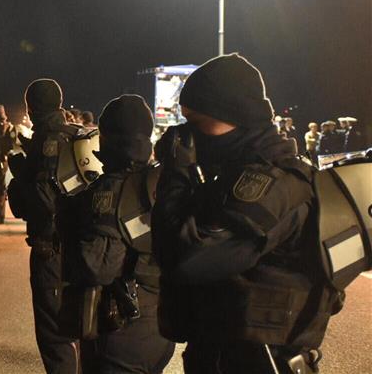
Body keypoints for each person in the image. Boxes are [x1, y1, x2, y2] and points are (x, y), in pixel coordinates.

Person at [152, 53, 337, 373]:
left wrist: (176, 173)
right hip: (224, 355)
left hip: (257, 362)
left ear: (233, 115)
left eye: (196, 123)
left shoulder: (273, 185)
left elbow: (186, 259)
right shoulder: (233, 176)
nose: (188, 135)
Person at [63, 95, 174, 374]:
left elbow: (97, 267)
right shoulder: (164, 182)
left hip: (122, 325)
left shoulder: (110, 191)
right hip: (160, 320)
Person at [7, 78, 80, 373]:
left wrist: (20, 176)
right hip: (81, 247)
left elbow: (42, 201)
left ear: (31, 107)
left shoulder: (48, 143)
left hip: (52, 248)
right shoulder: (75, 134)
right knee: (82, 329)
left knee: (54, 334)